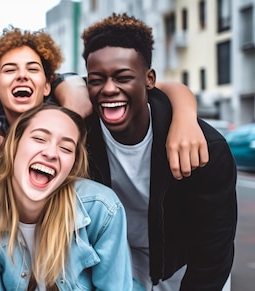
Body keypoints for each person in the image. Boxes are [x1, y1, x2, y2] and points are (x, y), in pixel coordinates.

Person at [82, 13, 237, 290]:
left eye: (123, 77)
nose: (108, 89)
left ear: (149, 79)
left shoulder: (204, 146)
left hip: (187, 265)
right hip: (123, 265)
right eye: (97, 79)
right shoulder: (81, 139)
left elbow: (214, 249)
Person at [0, 26, 209, 180]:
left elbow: (156, 87)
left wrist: (185, 117)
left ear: (48, 85)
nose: (22, 75)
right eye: (9, 69)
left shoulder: (79, 107)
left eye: (32, 68)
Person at [0, 104, 132, 290]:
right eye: (39, 138)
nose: (51, 153)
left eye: (66, 148)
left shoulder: (102, 209)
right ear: (14, 144)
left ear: (73, 164)